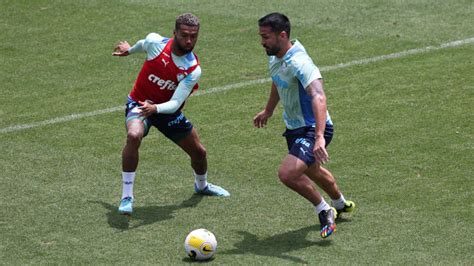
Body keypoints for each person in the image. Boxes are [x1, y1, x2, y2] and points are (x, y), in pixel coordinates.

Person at [112, 13, 230, 215]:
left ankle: (202, 186)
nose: (189, 41)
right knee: (133, 136)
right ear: (174, 33)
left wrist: (156, 108)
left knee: (199, 153)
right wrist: (129, 50)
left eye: (194, 36)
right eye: (184, 35)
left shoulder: (192, 68)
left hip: (165, 110)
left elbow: (175, 103)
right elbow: (143, 43)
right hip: (139, 104)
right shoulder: (155, 43)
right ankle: (127, 196)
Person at [253, 13, 355, 239]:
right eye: (261, 37)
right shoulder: (275, 57)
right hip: (294, 129)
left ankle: (323, 209)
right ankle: (340, 203)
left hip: (313, 128)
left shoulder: (299, 62)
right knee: (311, 170)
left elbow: (318, 96)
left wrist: (319, 137)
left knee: (288, 173)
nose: (262, 42)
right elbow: (278, 80)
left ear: (282, 35)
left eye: (266, 37)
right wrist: (269, 110)